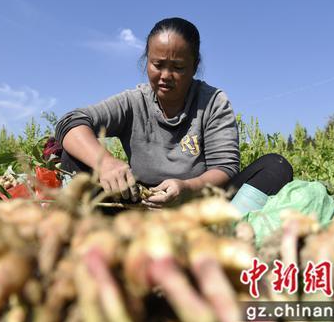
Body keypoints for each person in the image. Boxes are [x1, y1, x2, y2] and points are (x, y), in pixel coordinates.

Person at [55, 17, 292, 212]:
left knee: (276, 166)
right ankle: (98, 237)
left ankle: (228, 231)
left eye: (178, 67)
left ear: (194, 65)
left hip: (198, 207)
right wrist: (105, 162)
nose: (166, 75)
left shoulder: (213, 102)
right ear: (146, 61)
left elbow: (226, 168)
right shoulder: (133, 101)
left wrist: (188, 188)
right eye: (157, 65)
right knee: (73, 156)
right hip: (138, 207)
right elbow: (71, 122)